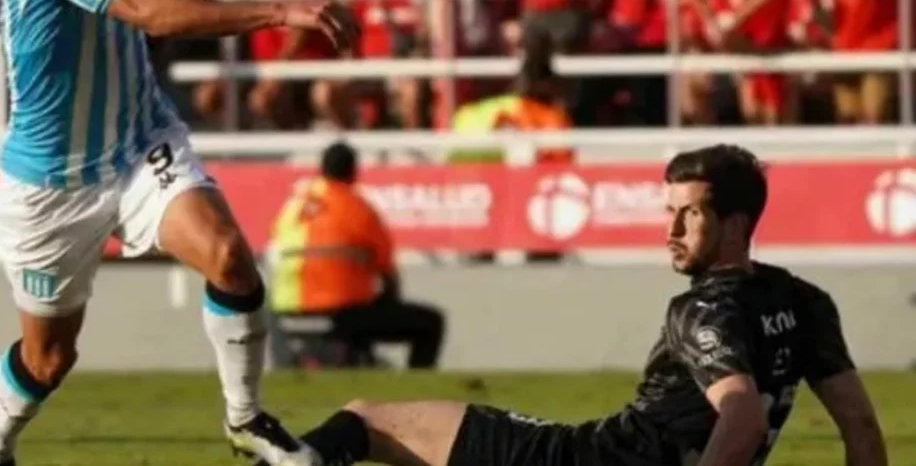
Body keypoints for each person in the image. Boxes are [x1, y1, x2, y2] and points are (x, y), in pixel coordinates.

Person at [0, 0, 359, 464]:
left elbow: (139, 2)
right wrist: (279, 12)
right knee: (48, 360)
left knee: (228, 257)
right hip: (55, 182)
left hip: (138, 141)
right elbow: (147, 10)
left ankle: (245, 418)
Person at [259, 144, 889, 466]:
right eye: (668, 212)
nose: (670, 231)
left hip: (580, 459)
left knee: (366, 419)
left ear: (735, 225)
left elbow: (743, 416)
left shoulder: (701, 309)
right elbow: (860, 427)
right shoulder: (806, 302)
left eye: (689, 215)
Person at [267, 141, 445, 369]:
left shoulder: (293, 208)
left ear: (321, 169)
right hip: (343, 312)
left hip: (287, 310)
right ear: (353, 172)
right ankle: (414, 385)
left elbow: (275, 251)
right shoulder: (359, 208)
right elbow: (388, 275)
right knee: (430, 323)